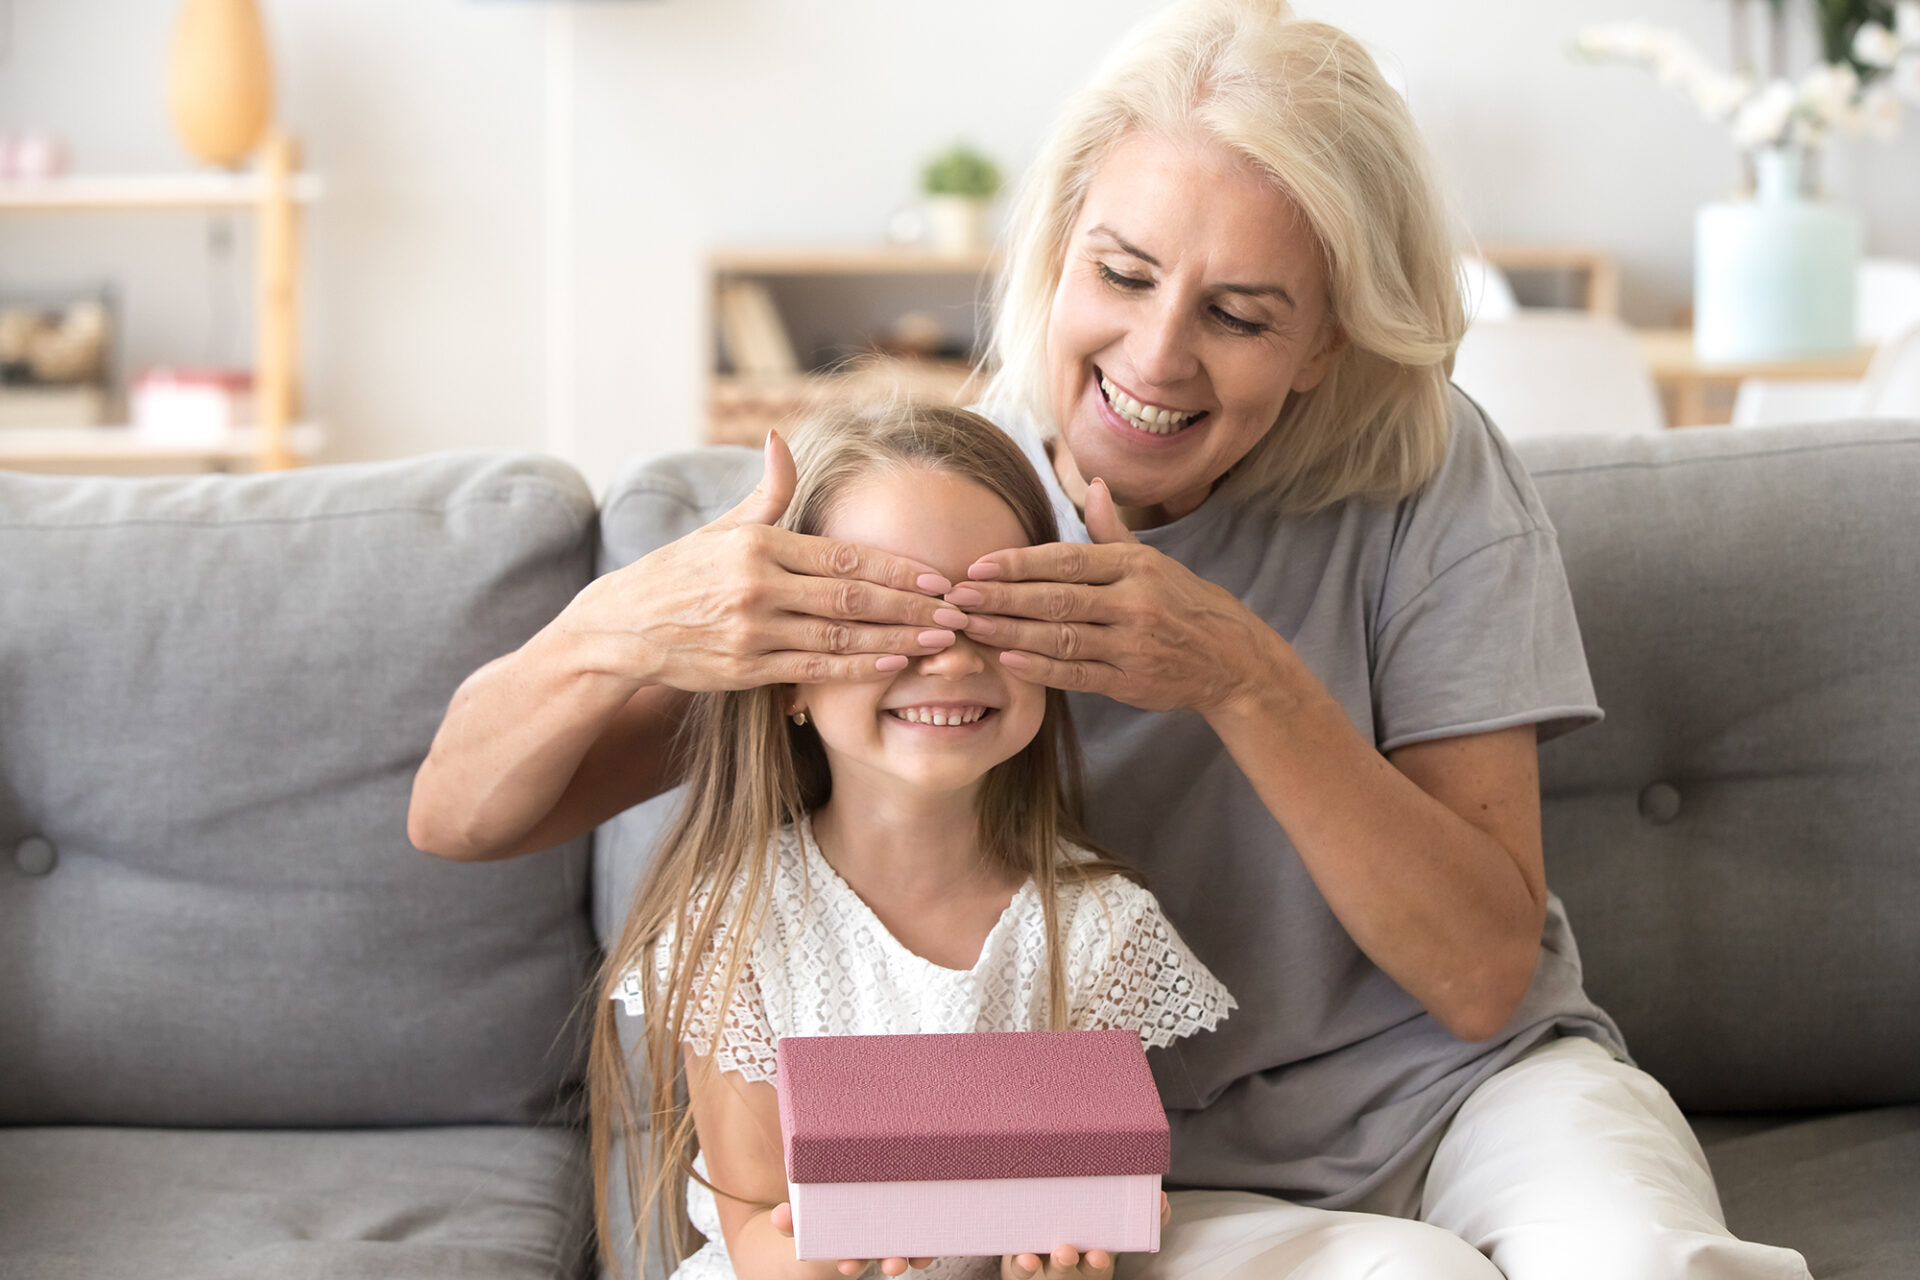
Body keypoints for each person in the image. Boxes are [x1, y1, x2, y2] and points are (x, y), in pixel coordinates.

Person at [410, 1, 1813, 1275]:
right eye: (1123, 274)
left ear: (1326, 338)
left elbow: (1478, 973)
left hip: (1453, 1094)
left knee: (1642, 1259)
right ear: (1058, 245)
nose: (1152, 360)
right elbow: (460, 814)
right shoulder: (947, 495)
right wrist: (618, 625)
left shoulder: (1430, 475)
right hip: (1110, 1153)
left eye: (1240, 314)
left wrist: (1242, 674)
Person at [589, 402, 1234, 1280]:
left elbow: (1089, 1209)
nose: (951, 656)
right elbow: (752, 1229)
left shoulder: (1098, 930)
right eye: (890, 617)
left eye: (994, 613)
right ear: (788, 677)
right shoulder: (736, 926)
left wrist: (1076, 1262)